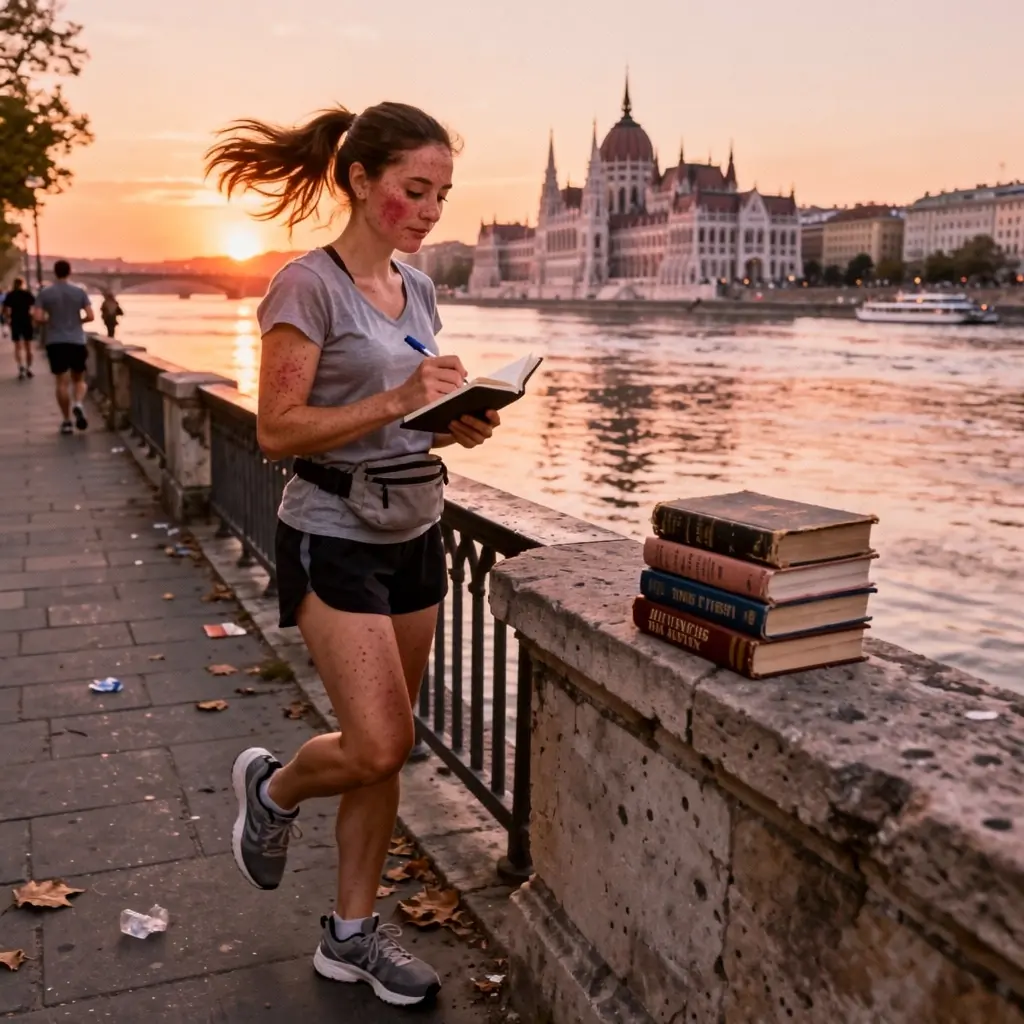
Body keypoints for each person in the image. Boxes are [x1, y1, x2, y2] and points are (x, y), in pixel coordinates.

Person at [205, 102, 501, 1008]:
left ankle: (350, 937)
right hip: (332, 534)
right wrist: (397, 399)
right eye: (416, 190)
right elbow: (276, 430)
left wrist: (455, 423)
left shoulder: (418, 287)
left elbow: (405, 411)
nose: (429, 210)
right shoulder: (307, 287)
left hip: (414, 525)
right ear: (362, 180)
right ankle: (275, 788)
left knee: (386, 756)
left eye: (442, 194)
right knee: (381, 738)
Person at [33, 261, 94, 434]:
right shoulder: (79, 291)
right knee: (79, 379)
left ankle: (67, 421)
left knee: (61, 382)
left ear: (55, 272)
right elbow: (90, 316)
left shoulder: (45, 293)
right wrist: (77, 321)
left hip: (56, 341)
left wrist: (51, 321)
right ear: (69, 271)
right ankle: (79, 403)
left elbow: (37, 317)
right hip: (77, 340)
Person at [2, 278, 35, 379]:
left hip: (16, 322)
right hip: (26, 321)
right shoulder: (27, 294)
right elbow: (34, 307)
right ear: (22, 284)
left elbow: (5, 310)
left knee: (17, 347)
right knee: (28, 346)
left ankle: (20, 367)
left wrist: (8, 319)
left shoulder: (10, 295)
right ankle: (29, 368)